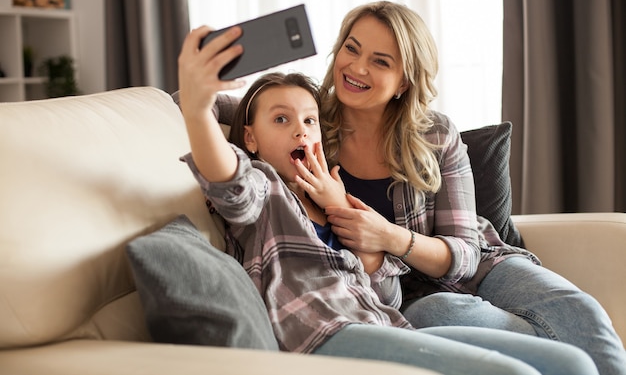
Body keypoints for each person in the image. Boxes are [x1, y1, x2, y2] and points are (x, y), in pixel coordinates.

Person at [176, 24, 599, 375]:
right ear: (249, 135)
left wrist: (342, 209)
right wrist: (198, 105)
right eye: (282, 120)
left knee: (571, 364)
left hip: (389, 320)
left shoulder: (336, 194)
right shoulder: (264, 187)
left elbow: (388, 297)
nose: (302, 131)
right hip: (320, 332)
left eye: (308, 121)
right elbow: (228, 175)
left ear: (404, 82)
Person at [312, 1, 626, 375]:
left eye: (381, 61)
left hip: (483, 267)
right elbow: (240, 109)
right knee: (441, 312)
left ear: (405, 81)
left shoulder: (435, 134)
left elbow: (465, 255)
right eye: (352, 48)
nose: (358, 67)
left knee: (579, 310)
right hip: (409, 300)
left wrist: (389, 236)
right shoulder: (305, 122)